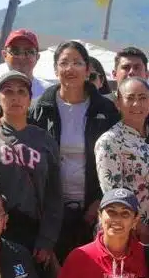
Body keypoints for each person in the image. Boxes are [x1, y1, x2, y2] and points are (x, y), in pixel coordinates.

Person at [29, 41, 120, 259]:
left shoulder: (105, 109)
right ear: (55, 69)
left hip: (93, 208)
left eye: (77, 63)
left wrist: (100, 199)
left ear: (88, 70)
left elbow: (116, 159)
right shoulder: (40, 108)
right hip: (49, 210)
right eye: (64, 63)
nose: (70, 69)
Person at [0, 71, 63, 259]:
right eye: (8, 92)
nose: (15, 97)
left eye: (21, 92)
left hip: (29, 232)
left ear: (30, 99)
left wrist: (47, 239)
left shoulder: (44, 140)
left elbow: (54, 195)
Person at [95, 76, 149, 244]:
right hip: (124, 233)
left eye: (142, 98)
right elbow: (114, 194)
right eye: (130, 98)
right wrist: (139, 227)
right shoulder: (110, 141)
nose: (136, 104)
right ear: (118, 103)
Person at [110, 46, 149, 131]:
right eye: (126, 67)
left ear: (147, 74)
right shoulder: (100, 107)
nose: (131, 72)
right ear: (114, 74)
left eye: (137, 67)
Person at [0, 28, 49, 102]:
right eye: (15, 51)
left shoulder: (48, 92)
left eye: (29, 51)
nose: (21, 57)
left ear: (37, 57)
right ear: (4, 55)